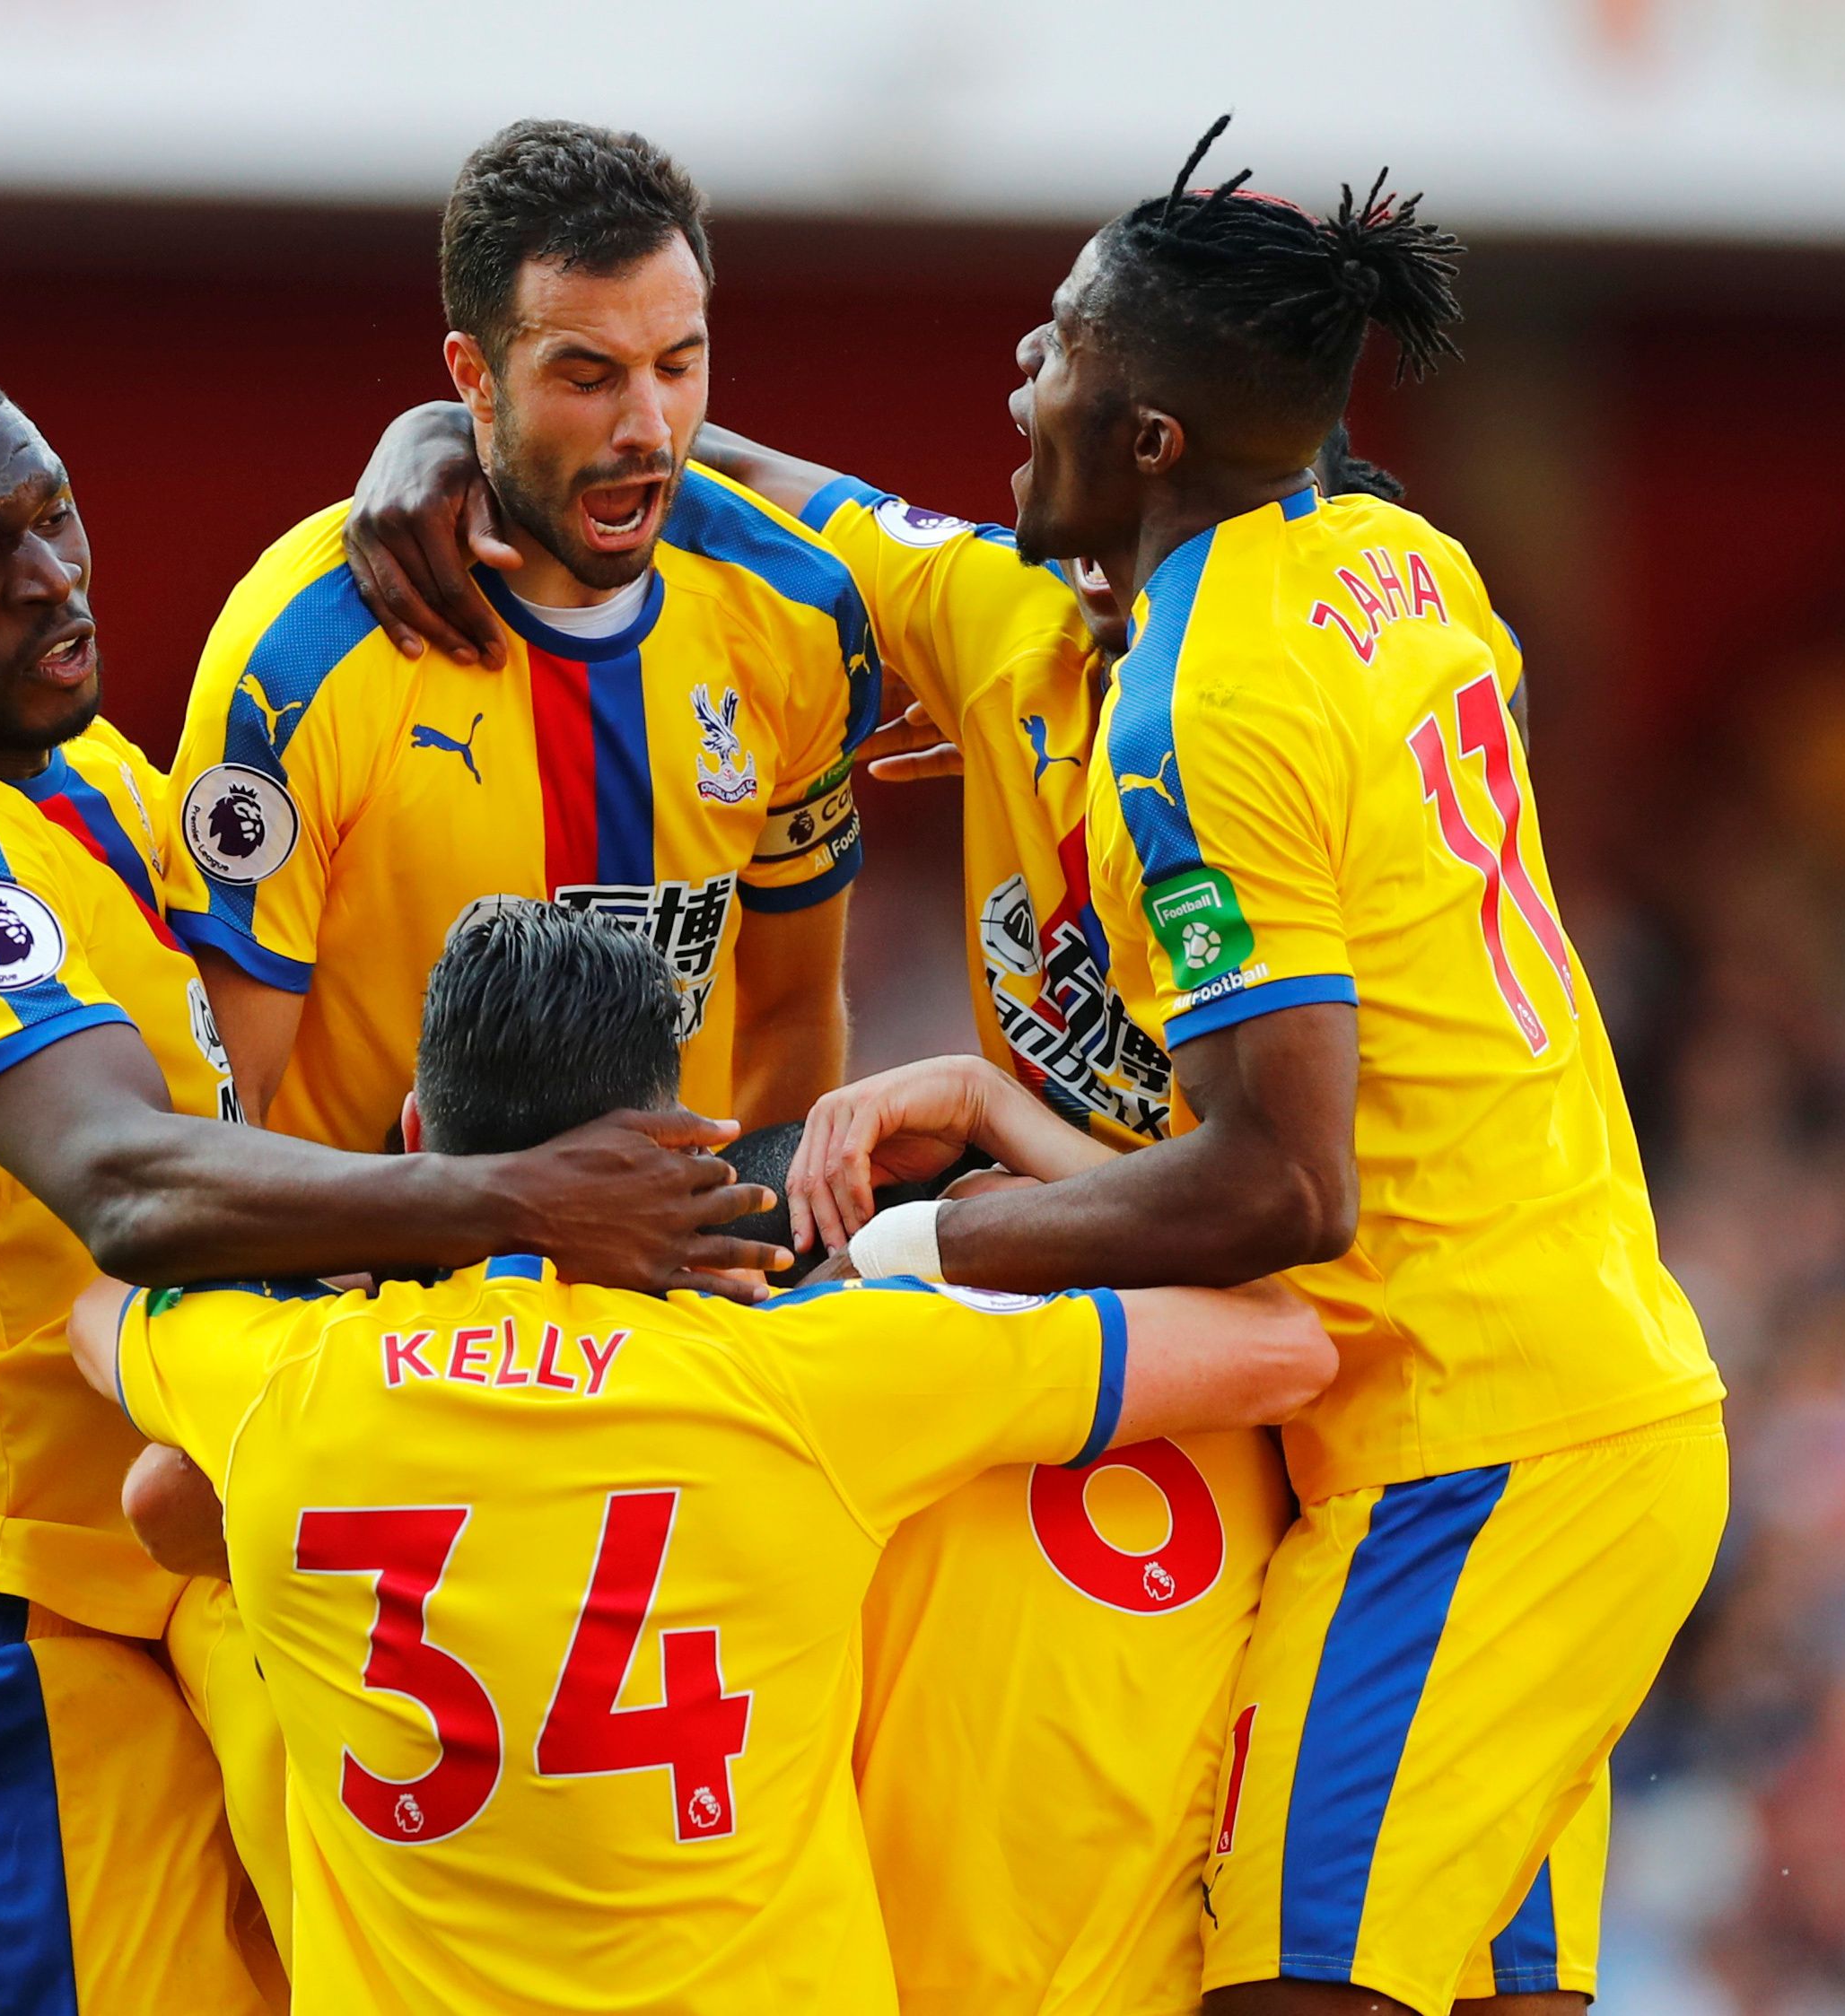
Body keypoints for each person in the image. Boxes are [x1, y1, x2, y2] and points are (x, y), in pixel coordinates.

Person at [789, 127, 1726, 2016]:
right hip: (1581, 1384)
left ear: (1149, 439)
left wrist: (908, 1251)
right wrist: (1005, 1108)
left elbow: (1287, 1189)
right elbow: (831, 509)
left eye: (1059, 341)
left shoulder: (1187, 706)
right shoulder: (1403, 559)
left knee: (1285, 1987)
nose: (1020, 369)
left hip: (1466, 1442)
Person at [0, 342, 783, 2014]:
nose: (48, 576)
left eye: (53, 516)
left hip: (169, 1588)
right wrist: (519, 1195)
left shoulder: (79, 778)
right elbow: (124, 1183)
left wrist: (429, 433)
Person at [337, 399, 1401, 2016]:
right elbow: (1278, 1329)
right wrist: (451, 427)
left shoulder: (813, 1355)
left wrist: (956, 1176)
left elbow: (1289, 1267)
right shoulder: (863, 1368)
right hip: (1153, 1332)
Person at [70, 902, 1336, 2015]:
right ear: (682, 1149)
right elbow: (1283, 1339)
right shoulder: (813, 1376)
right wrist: (940, 1196)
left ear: (414, 1134)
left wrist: (411, 1244)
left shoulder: (289, 1380)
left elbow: (103, 1328)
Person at [166, 119, 879, 1154]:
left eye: (679, 365)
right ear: (473, 375)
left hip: (674, 1258)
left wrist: (755, 1232)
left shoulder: (797, 611)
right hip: (367, 1255)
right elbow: (229, 1107)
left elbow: (791, 1017)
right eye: (588, 378)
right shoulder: (302, 652)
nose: (649, 427)